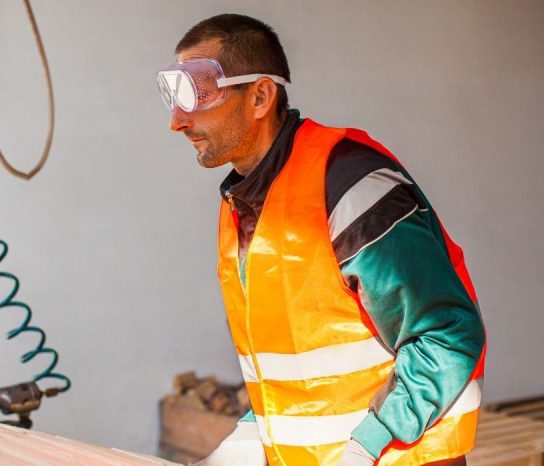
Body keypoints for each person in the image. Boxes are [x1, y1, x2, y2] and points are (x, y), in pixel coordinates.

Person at [155, 14, 486, 466]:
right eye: (173, 97)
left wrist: (367, 446)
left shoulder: (350, 185)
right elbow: (298, 381)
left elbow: (446, 335)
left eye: (197, 93)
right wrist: (240, 448)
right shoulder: (243, 205)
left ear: (260, 95)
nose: (178, 120)